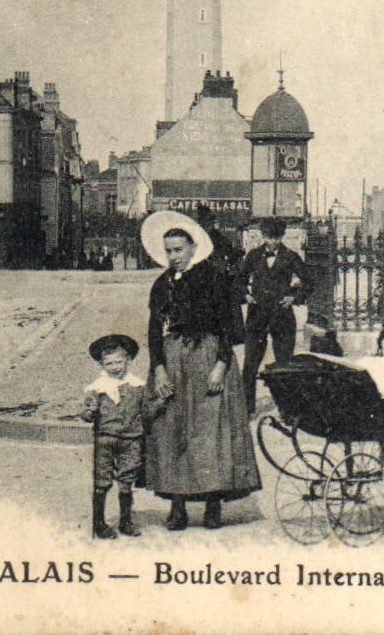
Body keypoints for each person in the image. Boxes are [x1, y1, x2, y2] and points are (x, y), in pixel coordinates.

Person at [142, 211, 261, 531]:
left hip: (209, 357)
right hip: (175, 361)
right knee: (174, 431)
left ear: (194, 247)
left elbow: (230, 326)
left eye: (178, 250)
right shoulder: (162, 284)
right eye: (168, 251)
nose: (173, 257)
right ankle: (177, 506)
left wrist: (221, 365)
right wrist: (159, 368)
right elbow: (154, 330)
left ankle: (212, 505)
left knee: (211, 434)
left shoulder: (215, 278)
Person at [81, 333, 159, 539]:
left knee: (127, 478)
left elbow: (147, 411)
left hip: (131, 438)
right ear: (102, 364)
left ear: (129, 360)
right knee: (102, 479)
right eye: (109, 364)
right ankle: (99, 522)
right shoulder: (96, 388)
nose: (115, 367)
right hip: (105, 439)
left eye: (119, 362)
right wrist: (89, 412)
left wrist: (160, 402)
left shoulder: (138, 386)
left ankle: (126, 520)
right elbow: (86, 414)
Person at [235, 218, 313, 410]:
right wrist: (246, 295)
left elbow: (309, 282)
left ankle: (286, 408)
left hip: (282, 317)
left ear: (282, 236)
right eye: (268, 237)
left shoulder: (291, 256)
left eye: (276, 237)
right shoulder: (253, 256)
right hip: (257, 317)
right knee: (250, 363)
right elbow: (238, 280)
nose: (272, 242)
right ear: (263, 236)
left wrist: (293, 298)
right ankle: (248, 408)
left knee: (284, 365)